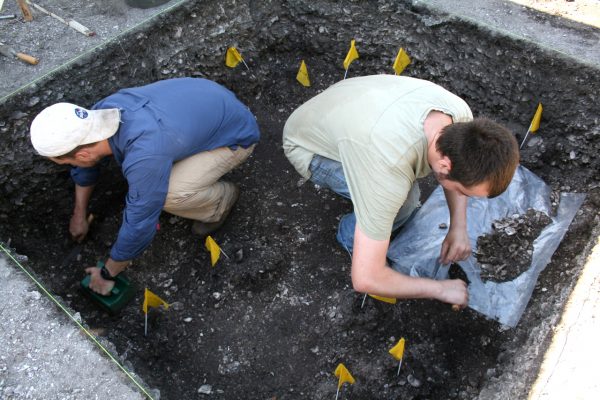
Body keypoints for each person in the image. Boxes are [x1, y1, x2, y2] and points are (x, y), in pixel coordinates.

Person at [283, 75, 519, 309]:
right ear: (445, 166)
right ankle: (349, 236)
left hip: (346, 106)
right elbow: (366, 279)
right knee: (405, 203)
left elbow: (457, 173)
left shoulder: (460, 119)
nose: (464, 196)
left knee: (400, 196)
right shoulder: (388, 170)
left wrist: (458, 227)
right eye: (464, 191)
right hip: (306, 144)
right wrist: (440, 288)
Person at [30, 78, 260, 296]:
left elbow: (141, 219)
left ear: (83, 153)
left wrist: (108, 272)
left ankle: (221, 202)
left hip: (234, 135)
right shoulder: (101, 114)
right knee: (155, 171)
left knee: (169, 195)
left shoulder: (145, 153)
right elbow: (85, 168)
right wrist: (79, 213)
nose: (71, 165)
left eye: (68, 161)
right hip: (204, 104)